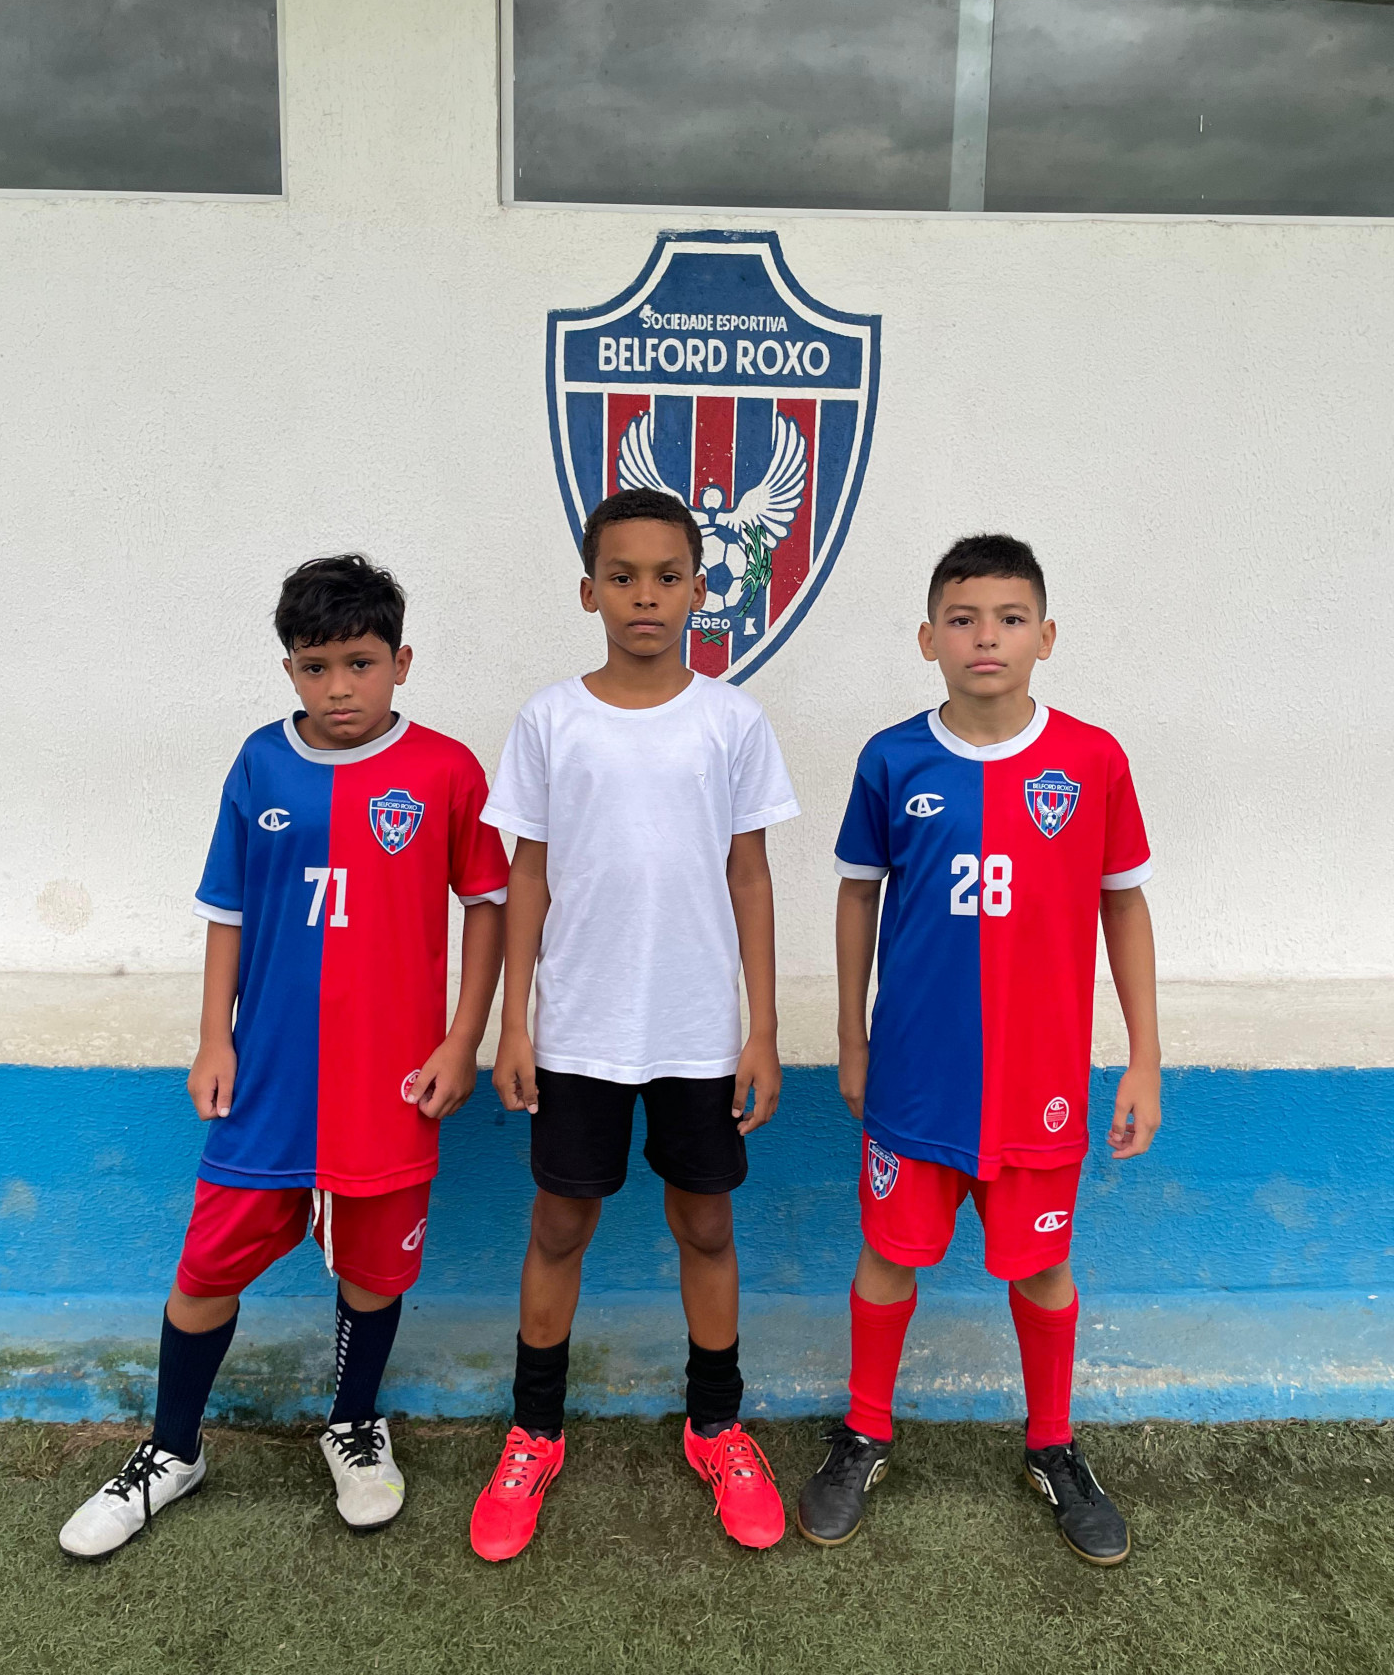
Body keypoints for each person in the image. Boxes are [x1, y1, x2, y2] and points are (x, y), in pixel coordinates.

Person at [59, 554, 508, 1559]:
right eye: (313, 667)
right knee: (205, 1271)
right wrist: (213, 1035)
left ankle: (352, 1423)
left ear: (402, 662)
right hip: (267, 1077)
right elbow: (228, 912)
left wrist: (461, 1038)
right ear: (289, 669)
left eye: (359, 663)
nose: (338, 688)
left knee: (372, 1275)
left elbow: (487, 906)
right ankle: (174, 1450)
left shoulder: (445, 770)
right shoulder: (259, 763)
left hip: (392, 1080)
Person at [796, 533, 1159, 1567]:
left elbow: (1123, 908)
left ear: (1046, 636)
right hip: (916, 1079)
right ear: (928, 638)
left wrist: (1144, 1055)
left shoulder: (1091, 761)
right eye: (962, 618)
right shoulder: (892, 759)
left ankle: (1053, 1447)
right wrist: (851, 1037)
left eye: (1007, 618)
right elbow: (858, 896)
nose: (984, 636)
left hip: (1041, 1089)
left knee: (1041, 1269)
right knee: (888, 1257)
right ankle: (865, 1432)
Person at [468, 487, 800, 1562]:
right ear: (588, 591)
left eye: (667, 576)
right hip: (577, 1032)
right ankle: (534, 1430)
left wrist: (761, 1029)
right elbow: (527, 876)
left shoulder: (732, 720)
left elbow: (750, 877)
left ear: (701, 591)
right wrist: (514, 1026)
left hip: (699, 1029)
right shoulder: (550, 719)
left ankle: (716, 1426)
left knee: (704, 1224)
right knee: (560, 1226)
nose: (645, 595)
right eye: (623, 576)